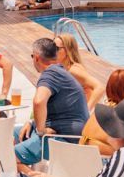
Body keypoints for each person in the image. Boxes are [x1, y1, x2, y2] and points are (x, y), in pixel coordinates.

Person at [14, 37, 88, 165]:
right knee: (13, 133)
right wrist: (32, 123)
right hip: (64, 134)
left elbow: (39, 101)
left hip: (64, 140)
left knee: (7, 156)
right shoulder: (59, 71)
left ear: (36, 57)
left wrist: (41, 130)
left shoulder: (50, 74)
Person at [53, 33, 101, 105]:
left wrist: (88, 109)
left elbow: (99, 87)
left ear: (68, 50)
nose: (52, 51)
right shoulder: (63, 67)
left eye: (56, 48)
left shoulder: (73, 70)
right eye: (52, 47)